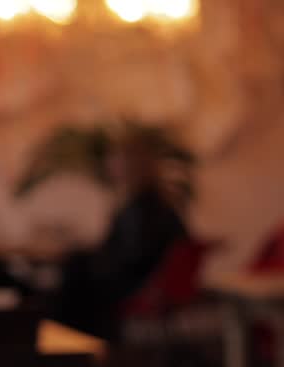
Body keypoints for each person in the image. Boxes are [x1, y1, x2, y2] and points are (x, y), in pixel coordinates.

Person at [50, 127, 188, 340]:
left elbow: (133, 256)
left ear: (129, 165)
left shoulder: (142, 208)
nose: (110, 166)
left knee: (74, 271)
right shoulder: (159, 202)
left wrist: (88, 256)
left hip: (138, 287)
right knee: (78, 265)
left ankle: (73, 345)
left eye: (114, 160)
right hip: (148, 283)